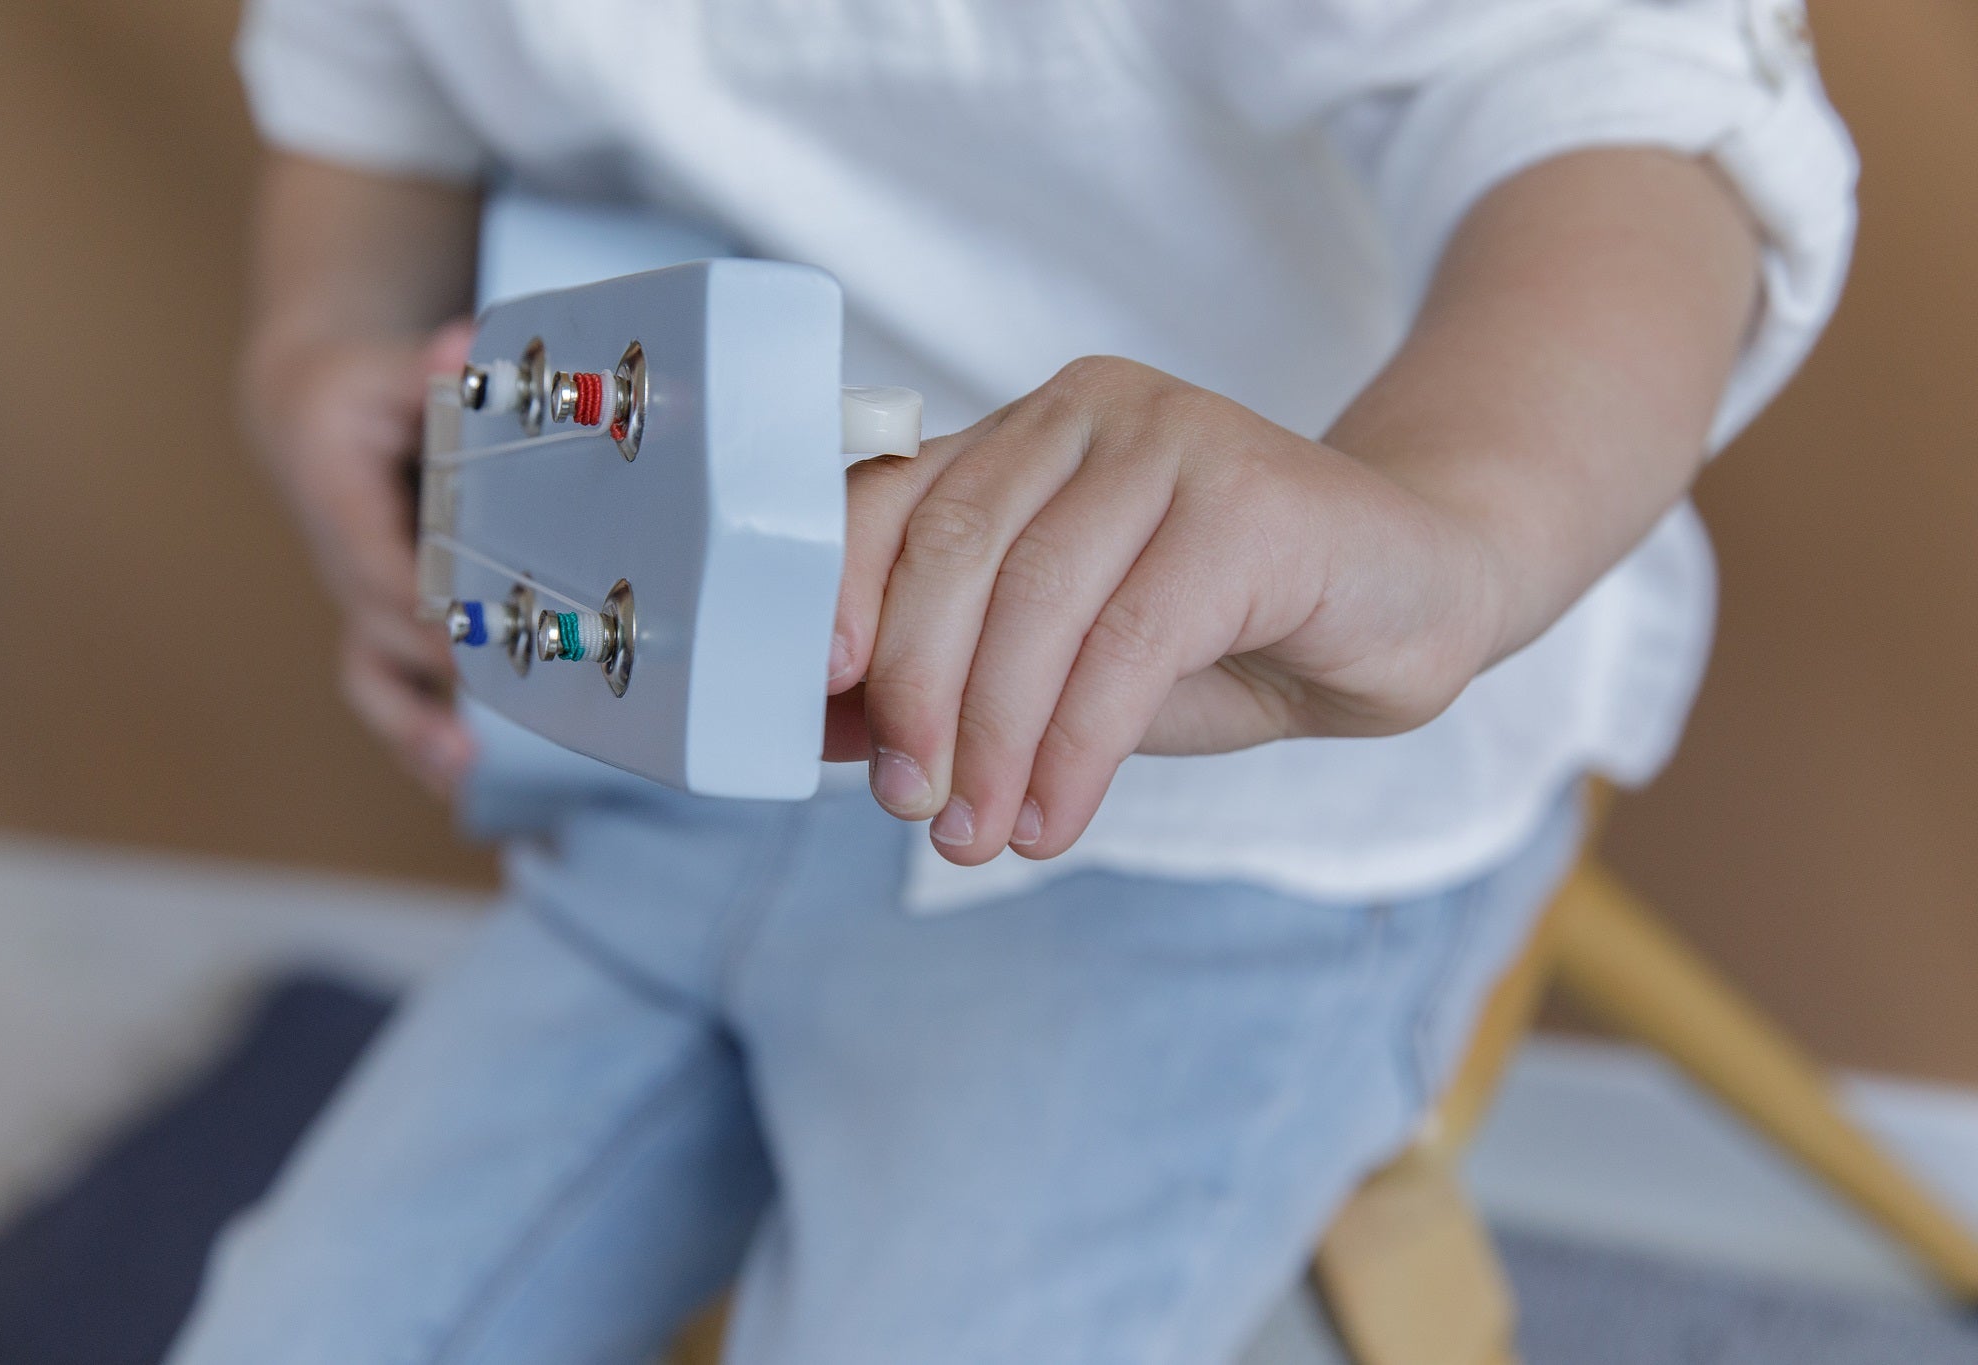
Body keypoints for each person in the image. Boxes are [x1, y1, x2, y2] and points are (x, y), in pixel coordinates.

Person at [169, 2, 1856, 1361]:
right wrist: (320, 348)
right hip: (682, 742)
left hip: (1243, 823)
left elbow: (1621, 121)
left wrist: (1453, 531)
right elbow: (369, 99)